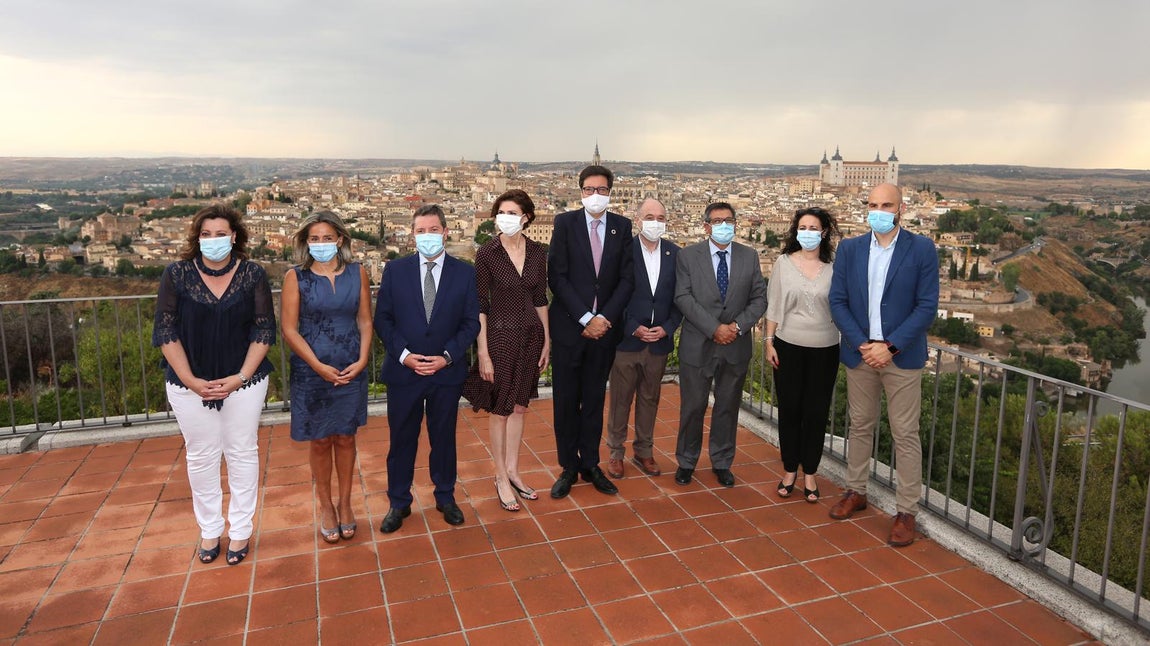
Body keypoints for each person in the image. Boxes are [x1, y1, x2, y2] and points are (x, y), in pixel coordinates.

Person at [152, 204, 276, 566]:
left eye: (220, 233)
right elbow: (165, 329)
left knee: (242, 452)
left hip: (245, 381)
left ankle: (241, 530)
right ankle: (209, 528)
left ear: (234, 236)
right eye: (206, 234)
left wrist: (240, 377)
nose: (213, 240)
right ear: (197, 237)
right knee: (201, 455)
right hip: (189, 384)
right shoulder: (176, 275)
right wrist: (191, 380)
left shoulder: (252, 274)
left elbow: (264, 329)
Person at [827, 183, 940, 547]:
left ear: (901, 209)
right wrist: (863, 344)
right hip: (861, 353)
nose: (878, 211)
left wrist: (889, 347)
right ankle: (855, 490)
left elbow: (927, 306)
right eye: (873, 205)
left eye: (886, 205)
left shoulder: (921, 249)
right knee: (860, 424)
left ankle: (906, 511)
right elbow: (838, 300)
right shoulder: (851, 248)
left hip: (901, 356)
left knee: (905, 433)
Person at [374, 204, 480, 533]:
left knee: (443, 439)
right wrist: (404, 355)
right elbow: (383, 319)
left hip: (445, 372)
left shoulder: (465, 273)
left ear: (445, 232)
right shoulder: (395, 270)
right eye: (421, 231)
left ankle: (445, 497)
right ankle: (398, 502)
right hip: (404, 371)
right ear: (412, 235)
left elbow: (471, 323)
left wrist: (447, 356)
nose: (427, 236)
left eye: (433, 230)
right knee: (401, 439)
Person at [281, 211, 372, 543]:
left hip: (350, 367)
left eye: (327, 238)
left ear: (340, 239)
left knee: (346, 438)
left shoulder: (358, 273)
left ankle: (345, 503)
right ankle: (326, 507)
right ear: (306, 242)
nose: (321, 244)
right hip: (312, 371)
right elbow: (289, 329)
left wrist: (363, 359)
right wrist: (317, 366)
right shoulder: (295, 277)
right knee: (320, 440)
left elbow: (365, 320)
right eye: (314, 238)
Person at [547, 165, 634, 498]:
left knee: (595, 399)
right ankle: (568, 466)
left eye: (601, 190)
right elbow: (557, 276)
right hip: (570, 328)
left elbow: (627, 279)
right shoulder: (564, 223)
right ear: (580, 191)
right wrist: (586, 318)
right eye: (589, 189)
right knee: (566, 400)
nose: (595, 195)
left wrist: (604, 318)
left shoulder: (621, 227)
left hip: (605, 331)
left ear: (610, 192)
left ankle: (591, 464)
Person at [463, 190, 550, 512]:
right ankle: (500, 476)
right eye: (501, 212)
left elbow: (540, 298)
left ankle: (513, 470)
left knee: (520, 407)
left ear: (526, 217)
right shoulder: (488, 253)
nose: (505, 218)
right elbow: (480, 304)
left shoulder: (538, 252)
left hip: (531, 336)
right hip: (499, 337)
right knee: (500, 410)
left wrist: (547, 341)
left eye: (512, 213)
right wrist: (483, 352)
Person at [673, 202, 767, 488]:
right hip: (698, 343)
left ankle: (722, 461)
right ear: (706, 226)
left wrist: (736, 327)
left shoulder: (749, 256)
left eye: (728, 220)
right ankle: (686, 461)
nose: (723, 225)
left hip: (735, 344)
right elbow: (683, 297)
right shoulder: (688, 256)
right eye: (717, 221)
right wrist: (714, 328)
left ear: (736, 224)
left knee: (728, 406)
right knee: (693, 406)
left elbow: (759, 298)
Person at [765, 207, 841, 503]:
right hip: (788, 346)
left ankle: (810, 472)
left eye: (813, 228)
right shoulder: (784, 263)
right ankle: (789, 470)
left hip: (825, 348)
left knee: (816, 412)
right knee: (789, 410)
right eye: (803, 227)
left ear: (824, 232)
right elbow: (774, 304)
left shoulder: (835, 266)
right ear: (796, 231)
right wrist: (769, 342)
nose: (807, 232)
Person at [604, 197, 681, 479]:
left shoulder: (675, 254)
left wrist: (668, 327)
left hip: (659, 341)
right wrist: (632, 326)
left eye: (660, 218)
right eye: (649, 217)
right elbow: (612, 294)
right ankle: (615, 453)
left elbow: (680, 297)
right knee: (620, 400)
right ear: (637, 220)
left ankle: (644, 451)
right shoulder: (623, 251)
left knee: (650, 398)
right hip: (627, 340)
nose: (655, 223)